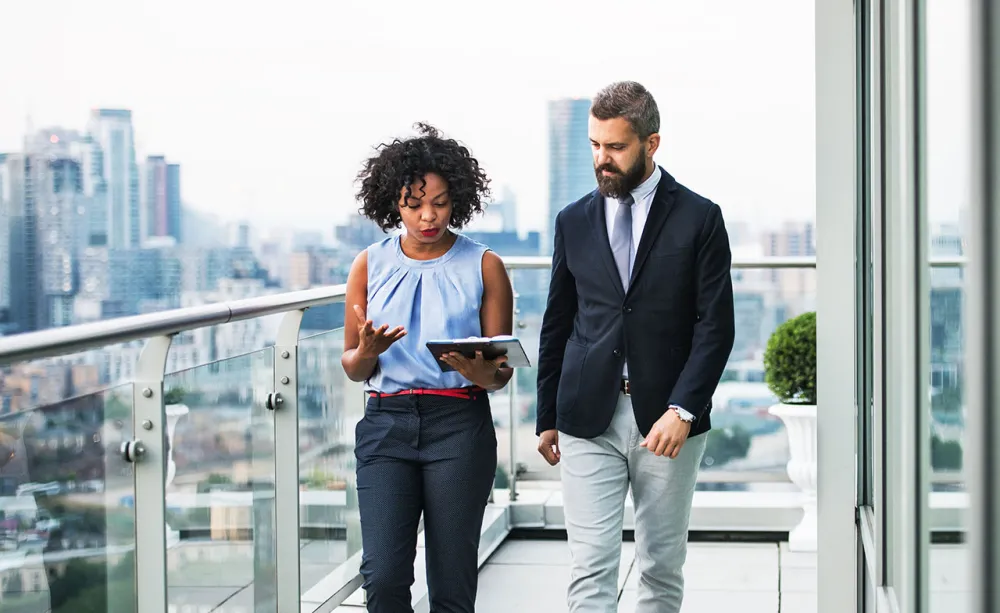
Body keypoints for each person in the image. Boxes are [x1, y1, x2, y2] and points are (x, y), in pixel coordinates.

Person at [535, 81, 735, 612]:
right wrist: (545, 414)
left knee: (660, 567)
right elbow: (558, 322)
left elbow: (716, 327)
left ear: (652, 143)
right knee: (589, 568)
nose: (602, 159)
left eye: (616, 147)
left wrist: (684, 409)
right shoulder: (573, 220)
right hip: (585, 415)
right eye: (595, 146)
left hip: (668, 420)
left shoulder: (700, 218)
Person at [341, 122, 514, 613]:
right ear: (392, 203)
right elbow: (353, 367)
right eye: (413, 204)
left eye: (438, 202)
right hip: (385, 426)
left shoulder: (484, 265)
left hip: (459, 424)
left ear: (457, 197)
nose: (427, 216)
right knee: (385, 577)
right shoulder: (368, 264)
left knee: (452, 583)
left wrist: (484, 375)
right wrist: (368, 351)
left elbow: (499, 369)